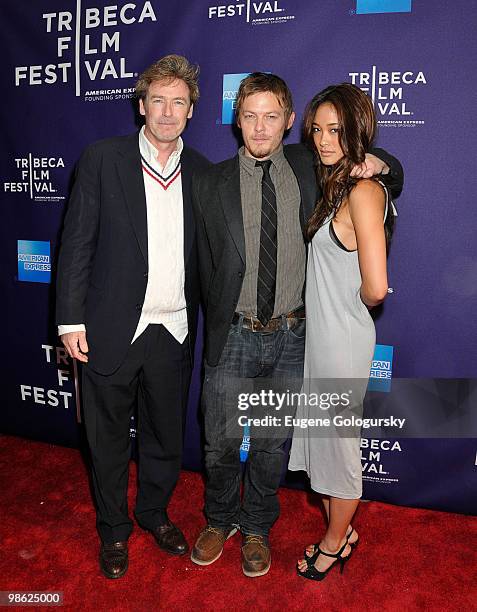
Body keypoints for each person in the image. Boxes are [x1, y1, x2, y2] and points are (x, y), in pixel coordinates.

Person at [191, 73, 403, 577]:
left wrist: (381, 162)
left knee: (271, 443)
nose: (260, 129)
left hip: (294, 336)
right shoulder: (209, 181)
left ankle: (259, 527)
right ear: (235, 120)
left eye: (272, 117)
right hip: (235, 331)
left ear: (290, 124)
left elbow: (381, 169)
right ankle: (219, 518)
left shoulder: (312, 166)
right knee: (221, 438)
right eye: (249, 116)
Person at [55, 55, 209, 579]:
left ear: (191, 111)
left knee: (167, 436)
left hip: (175, 329)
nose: (168, 112)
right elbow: (76, 243)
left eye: (179, 102)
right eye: (158, 101)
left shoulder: (205, 172)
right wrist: (69, 321)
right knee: (107, 440)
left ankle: (154, 513)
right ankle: (114, 530)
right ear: (141, 106)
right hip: (111, 328)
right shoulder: (101, 159)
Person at [288, 83, 396, 581]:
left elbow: (376, 287)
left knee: (339, 450)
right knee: (327, 447)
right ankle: (343, 531)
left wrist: (346, 309)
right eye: (317, 129)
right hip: (323, 340)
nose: (324, 140)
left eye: (336, 130)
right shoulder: (333, 183)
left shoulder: (366, 190)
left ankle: (334, 544)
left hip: (341, 341)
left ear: (358, 132)